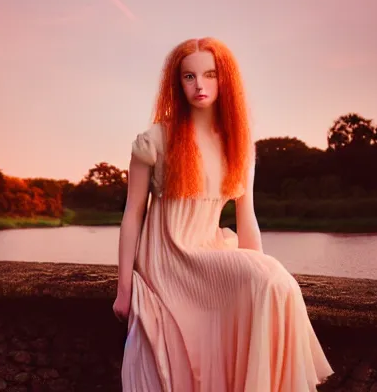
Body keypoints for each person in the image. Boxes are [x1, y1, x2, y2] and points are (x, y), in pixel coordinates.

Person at [113, 37, 334, 391]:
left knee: (275, 284)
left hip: (209, 250)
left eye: (210, 74)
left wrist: (256, 278)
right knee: (271, 280)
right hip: (167, 257)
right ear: (177, 83)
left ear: (224, 80)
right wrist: (124, 288)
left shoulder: (239, 145)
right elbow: (131, 217)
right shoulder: (154, 140)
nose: (199, 85)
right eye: (189, 77)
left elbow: (247, 220)